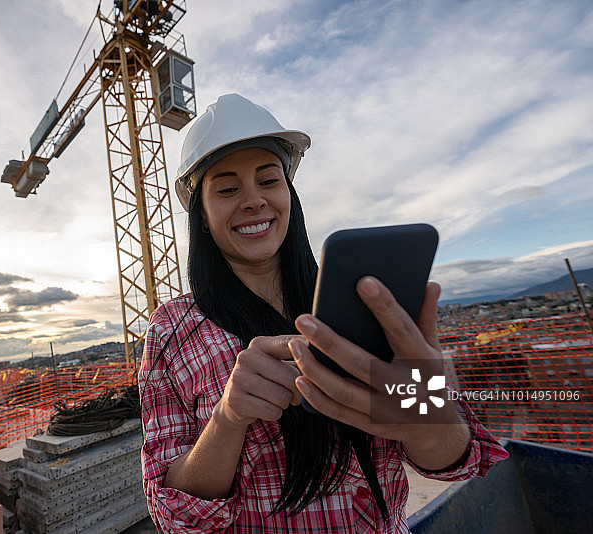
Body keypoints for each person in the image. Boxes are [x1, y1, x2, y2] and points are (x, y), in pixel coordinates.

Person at [138, 93, 508, 533]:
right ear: (200, 214)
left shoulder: (356, 299)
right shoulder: (172, 331)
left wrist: (428, 415)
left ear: (289, 193)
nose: (254, 200)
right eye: (228, 189)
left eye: (268, 180)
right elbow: (171, 515)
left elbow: (454, 461)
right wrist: (228, 418)